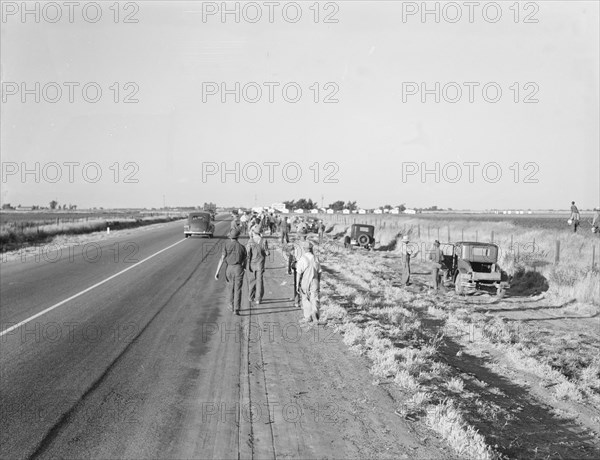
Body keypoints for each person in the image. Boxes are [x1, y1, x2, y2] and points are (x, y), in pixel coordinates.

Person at [214, 228, 247, 315]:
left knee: (230, 287)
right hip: (239, 268)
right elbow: (245, 260)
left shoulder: (226, 245)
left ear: (230, 237)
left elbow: (222, 259)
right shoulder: (242, 247)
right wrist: (244, 267)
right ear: (238, 237)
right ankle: (236, 309)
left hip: (229, 268)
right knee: (238, 288)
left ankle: (231, 305)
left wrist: (217, 272)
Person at [296, 240, 322, 323]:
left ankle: (307, 317)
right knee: (314, 298)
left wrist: (297, 284)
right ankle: (315, 312)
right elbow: (320, 271)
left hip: (305, 281)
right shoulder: (316, 258)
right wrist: (318, 281)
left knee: (305, 298)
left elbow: (299, 273)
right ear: (311, 249)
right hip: (315, 280)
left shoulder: (302, 259)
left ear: (304, 249)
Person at [247, 225, 270, 305]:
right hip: (260, 264)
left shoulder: (250, 241)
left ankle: (250, 297)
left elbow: (248, 254)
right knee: (259, 281)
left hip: (252, 264)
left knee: (252, 281)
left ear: (253, 232)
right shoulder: (263, 241)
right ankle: (258, 299)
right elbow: (267, 253)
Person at [286, 229, 308, 308]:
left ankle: (297, 301)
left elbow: (291, 256)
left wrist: (289, 268)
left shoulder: (296, 245)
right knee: (305, 284)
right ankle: (305, 301)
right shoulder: (309, 245)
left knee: (297, 284)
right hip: (306, 267)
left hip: (298, 266)